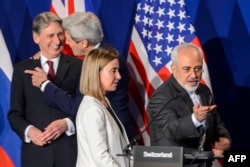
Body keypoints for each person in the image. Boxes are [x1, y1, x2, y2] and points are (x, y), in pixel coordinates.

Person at [25, 11, 137, 141]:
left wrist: (44, 84)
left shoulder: (104, 61)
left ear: (83, 43)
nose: (65, 43)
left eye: (68, 39)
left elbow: (77, 106)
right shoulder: (103, 53)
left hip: (116, 138)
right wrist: (45, 56)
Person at [8, 12, 81, 167]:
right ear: (36, 38)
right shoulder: (22, 70)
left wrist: (67, 124)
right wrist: (30, 131)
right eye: (50, 35)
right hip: (36, 154)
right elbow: (15, 114)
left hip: (70, 153)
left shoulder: (79, 67)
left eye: (60, 34)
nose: (57, 40)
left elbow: (85, 108)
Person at [147, 43, 231, 167]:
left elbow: (216, 123)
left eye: (197, 68)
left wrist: (223, 138)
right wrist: (195, 119)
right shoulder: (161, 97)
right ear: (174, 69)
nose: (194, 75)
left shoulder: (204, 91)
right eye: (187, 69)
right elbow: (171, 129)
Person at [76, 48, 130, 167]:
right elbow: (101, 156)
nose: (119, 76)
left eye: (118, 70)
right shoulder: (92, 109)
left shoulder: (104, 101)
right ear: (96, 72)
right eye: (113, 71)